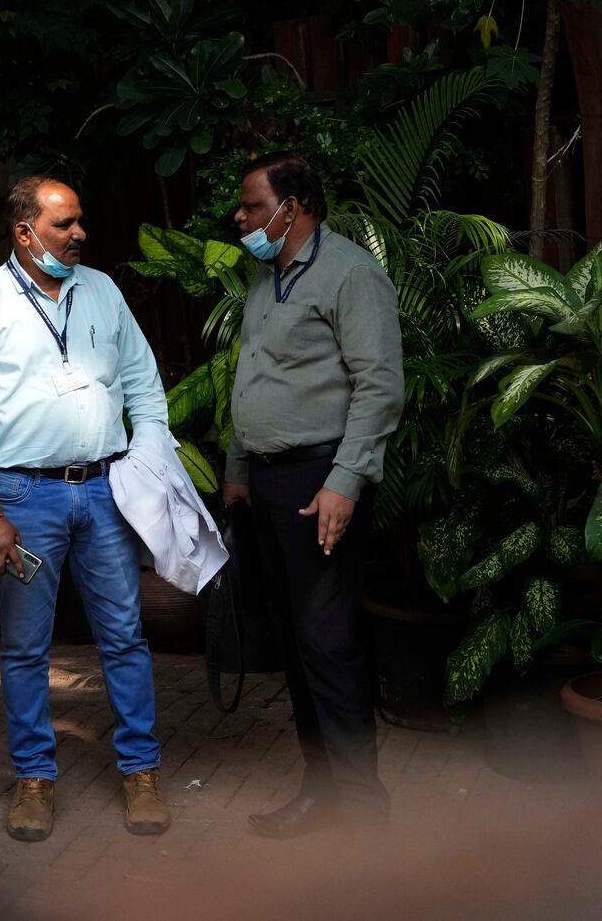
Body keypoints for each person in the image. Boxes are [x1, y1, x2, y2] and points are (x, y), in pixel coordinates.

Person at [0, 177, 172, 842]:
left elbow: (143, 382)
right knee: (23, 647)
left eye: (80, 222)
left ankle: (141, 770)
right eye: (64, 224)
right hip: (22, 496)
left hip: (103, 490)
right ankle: (34, 779)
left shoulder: (101, 289)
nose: (80, 234)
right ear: (23, 232)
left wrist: (147, 466)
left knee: (125, 635)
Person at [220, 152, 404, 839]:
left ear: (290, 207)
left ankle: (363, 814)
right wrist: (239, 466)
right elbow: (252, 374)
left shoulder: (351, 274)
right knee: (296, 644)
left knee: (329, 642)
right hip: (267, 482)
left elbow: (379, 384)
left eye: (249, 205)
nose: (241, 218)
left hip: (320, 479)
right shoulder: (265, 280)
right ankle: (320, 792)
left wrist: (344, 482)